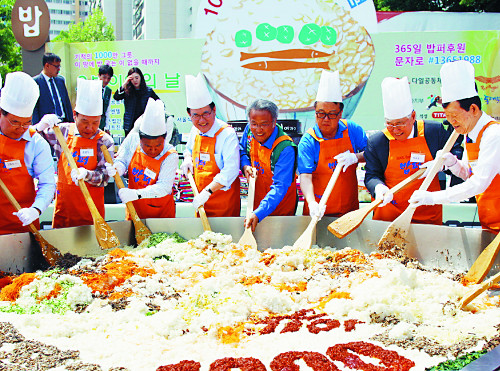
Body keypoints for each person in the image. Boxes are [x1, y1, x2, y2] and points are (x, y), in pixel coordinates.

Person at [409, 60, 500, 232]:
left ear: (473, 109)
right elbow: (468, 174)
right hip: (490, 223)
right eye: (447, 116)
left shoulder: (493, 135)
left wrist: (433, 197)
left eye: (454, 115)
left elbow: (478, 184)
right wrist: (452, 164)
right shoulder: (469, 134)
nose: (451, 121)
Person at [364, 76, 461, 225]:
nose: (395, 130)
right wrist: (378, 187)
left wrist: (441, 164)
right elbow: (372, 175)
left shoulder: (433, 131)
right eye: (390, 124)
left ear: (413, 116)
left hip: (427, 212)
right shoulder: (377, 141)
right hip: (390, 216)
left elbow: (456, 153)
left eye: (400, 123)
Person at [35, 78, 115, 229]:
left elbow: (105, 177)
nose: (90, 128)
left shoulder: (104, 140)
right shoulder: (62, 132)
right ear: (75, 115)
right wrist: (40, 126)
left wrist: (87, 175)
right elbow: (28, 139)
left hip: (92, 214)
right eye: (85, 121)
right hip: (64, 211)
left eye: (95, 122)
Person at [298, 70, 366, 219]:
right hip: (319, 211)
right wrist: (311, 203)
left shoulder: (352, 130)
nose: (326, 119)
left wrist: (355, 157)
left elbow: (373, 154)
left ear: (340, 113)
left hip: (349, 211)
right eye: (320, 113)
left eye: (332, 114)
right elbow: (305, 176)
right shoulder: (309, 140)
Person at [0, 72, 56, 235]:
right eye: (15, 122)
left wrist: (35, 210)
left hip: (23, 225)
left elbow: (47, 183)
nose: (21, 128)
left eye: (27, 123)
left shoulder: (36, 143)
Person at [105, 98, 178, 219]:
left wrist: (136, 194)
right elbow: (122, 160)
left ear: (165, 139)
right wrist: (118, 168)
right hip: (134, 210)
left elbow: (164, 187)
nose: (153, 150)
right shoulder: (132, 140)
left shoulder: (170, 154)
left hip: (161, 214)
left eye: (158, 146)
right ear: (140, 139)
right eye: (147, 146)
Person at [181, 73, 241, 217]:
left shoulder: (227, 134)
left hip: (224, 204)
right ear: (189, 115)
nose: (201, 120)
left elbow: (231, 170)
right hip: (201, 202)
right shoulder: (195, 129)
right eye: (196, 115)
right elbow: (189, 149)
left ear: (214, 111)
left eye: (206, 114)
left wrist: (208, 192)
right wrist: (187, 158)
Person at [239, 99, 297, 232]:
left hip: (281, 210)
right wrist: (245, 166)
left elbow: (280, 187)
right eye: (254, 123)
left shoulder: (285, 148)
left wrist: (259, 213)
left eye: (264, 124)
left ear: (274, 122)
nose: (258, 130)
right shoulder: (249, 131)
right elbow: (242, 151)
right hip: (256, 204)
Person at [113, 67, 160, 137]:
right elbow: (116, 97)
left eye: (137, 78)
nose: (135, 80)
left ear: (141, 78)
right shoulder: (127, 91)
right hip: (130, 125)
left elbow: (159, 103)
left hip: (144, 124)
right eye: (132, 79)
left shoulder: (148, 91)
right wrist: (124, 84)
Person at [32, 53, 73, 125]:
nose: (58, 69)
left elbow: (66, 103)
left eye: (59, 66)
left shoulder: (60, 80)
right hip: (47, 125)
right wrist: (37, 127)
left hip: (64, 122)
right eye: (56, 66)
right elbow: (35, 108)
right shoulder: (36, 82)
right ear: (47, 65)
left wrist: (71, 122)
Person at [99, 64, 114, 132]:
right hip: (91, 123)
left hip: (102, 124)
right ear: (99, 75)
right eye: (104, 77)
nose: (106, 80)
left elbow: (108, 110)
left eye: (109, 78)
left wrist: (107, 127)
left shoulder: (108, 91)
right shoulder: (92, 86)